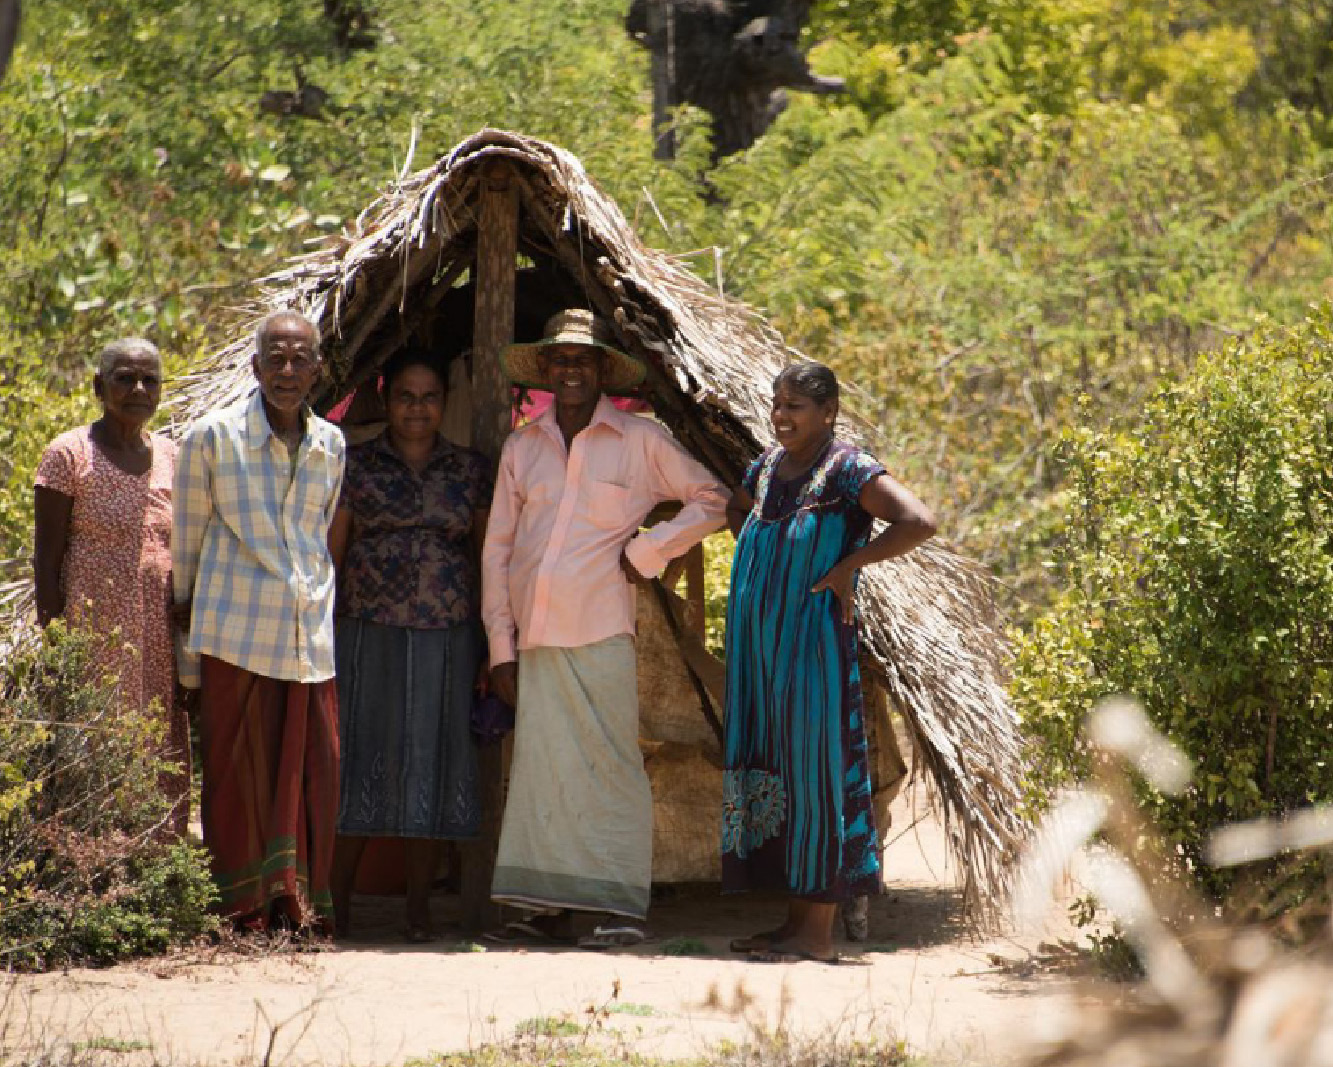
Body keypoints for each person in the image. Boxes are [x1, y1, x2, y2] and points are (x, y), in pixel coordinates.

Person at [482, 308, 728, 947]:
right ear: (546, 371)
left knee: (612, 763)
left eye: (583, 361)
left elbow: (715, 500)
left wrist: (646, 552)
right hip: (533, 634)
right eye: (560, 360)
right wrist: (499, 647)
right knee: (541, 766)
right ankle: (540, 904)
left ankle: (619, 905)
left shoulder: (638, 440)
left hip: (600, 626)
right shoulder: (523, 445)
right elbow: (498, 551)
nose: (570, 370)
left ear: (600, 372)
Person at [722, 361, 937, 963]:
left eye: (795, 406)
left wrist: (846, 567)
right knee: (776, 769)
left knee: (815, 773)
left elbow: (918, 520)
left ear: (828, 412)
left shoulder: (847, 468)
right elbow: (735, 508)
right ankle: (792, 925)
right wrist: (758, 560)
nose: (781, 416)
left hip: (812, 645)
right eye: (777, 403)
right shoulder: (765, 469)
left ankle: (816, 936)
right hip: (759, 651)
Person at [172, 310, 345, 933]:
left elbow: (317, 539)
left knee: (310, 777)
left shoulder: (332, 444)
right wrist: (187, 658)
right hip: (235, 638)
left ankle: (295, 909)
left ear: (318, 370)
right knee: (237, 781)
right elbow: (185, 548)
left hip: (307, 641)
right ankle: (239, 913)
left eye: (300, 359)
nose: (288, 371)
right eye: (276, 358)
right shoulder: (212, 438)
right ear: (255, 367)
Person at [327, 350, 492, 941]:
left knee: (432, 761)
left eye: (428, 396)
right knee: (359, 758)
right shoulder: (357, 464)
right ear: (385, 398)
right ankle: (336, 905)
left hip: (447, 636)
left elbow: (482, 556)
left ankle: (418, 910)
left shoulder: (469, 470)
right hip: (367, 630)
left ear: (444, 402)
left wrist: (488, 639)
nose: (417, 408)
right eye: (405, 396)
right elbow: (335, 551)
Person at [33, 338, 190, 835]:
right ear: (99, 387)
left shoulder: (172, 456)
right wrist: (59, 649)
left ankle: (158, 875)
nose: (138, 389)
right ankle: (100, 874)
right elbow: (46, 562)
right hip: (94, 638)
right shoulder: (68, 454)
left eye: (150, 380)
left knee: (161, 745)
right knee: (98, 745)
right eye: (124, 378)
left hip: (159, 642)